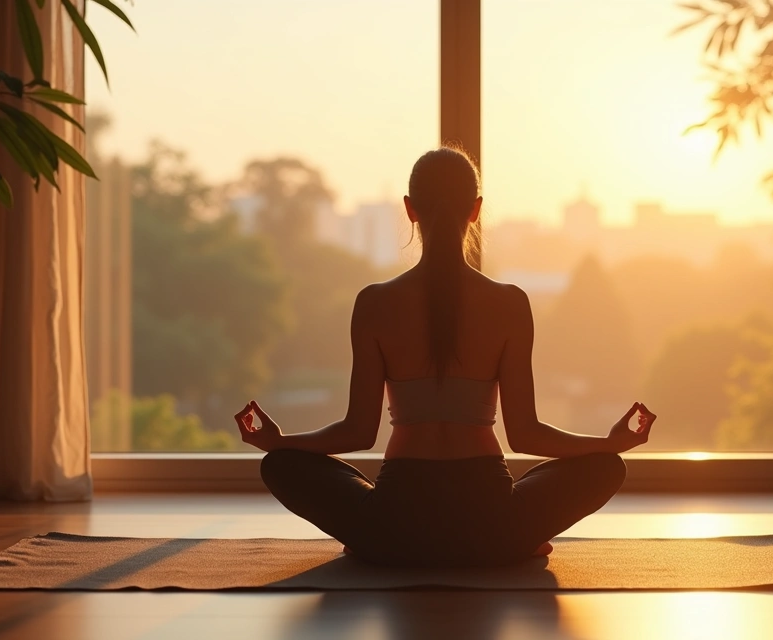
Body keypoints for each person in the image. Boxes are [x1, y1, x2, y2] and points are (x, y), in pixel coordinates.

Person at [235, 146, 655, 568]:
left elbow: (358, 433)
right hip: (491, 520)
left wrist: (281, 443)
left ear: (410, 209)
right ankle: (511, 541)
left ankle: (377, 540)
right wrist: (608, 444)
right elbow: (526, 436)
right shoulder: (509, 303)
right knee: (606, 467)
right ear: (475, 210)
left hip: (395, 519)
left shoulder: (375, 303)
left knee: (281, 466)